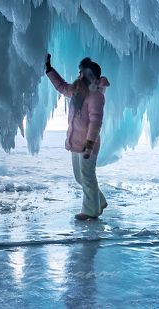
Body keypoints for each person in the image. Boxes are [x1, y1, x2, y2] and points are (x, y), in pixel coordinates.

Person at [45, 53, 110, 220]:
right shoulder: (76, 91)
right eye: (81, 73)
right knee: (80, 177)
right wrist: (49, 69)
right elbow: (61, 86)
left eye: (85, 74)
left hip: (88, 145)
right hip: (75, 143)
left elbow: (95, 122)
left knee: (87, 177)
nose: (81, 76)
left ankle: (89, 211)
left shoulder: (96, 96)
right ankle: (99, 202)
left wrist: (89, 144)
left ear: (93, 78)